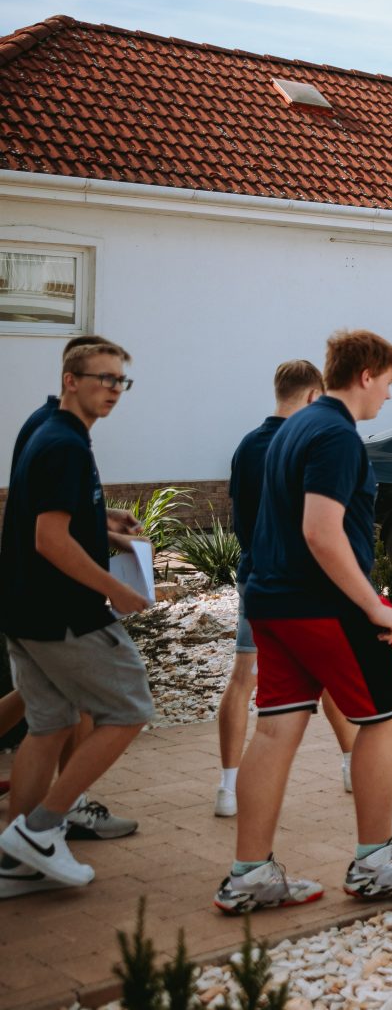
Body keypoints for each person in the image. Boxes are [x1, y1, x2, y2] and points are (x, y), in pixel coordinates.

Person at [216, 329, 392, 914]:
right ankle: (374, 862)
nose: (390, 396)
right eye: (390, 382)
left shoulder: (294, 427)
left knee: (273, 731)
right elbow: (321, 530)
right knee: (387, 717)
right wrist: (373, 603)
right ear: (366, 374)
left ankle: (249, 874)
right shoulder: (338, 435)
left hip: (270, 602)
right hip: (325, 607)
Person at [0, 340, 151, 896]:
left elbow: (44, 509)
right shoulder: (63, 443)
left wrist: (101, 520)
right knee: (129, 707)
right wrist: (118, 591)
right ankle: (40, 832)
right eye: (103, 378)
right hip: (62, 612)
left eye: (120, 381)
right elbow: (49, 540)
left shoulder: (47, 427)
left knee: (50, 724)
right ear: (71, 379)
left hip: (22, 605)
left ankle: (18, 861)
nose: (113, 389)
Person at [215, 359, 360, 819]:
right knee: (332, 674)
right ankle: (353, 764)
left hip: (253, 575)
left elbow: (239, 517)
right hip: (299, 583)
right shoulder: (307, 444)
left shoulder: (246, 446)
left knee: (243, 679)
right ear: (315, 396)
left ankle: (227, 787)